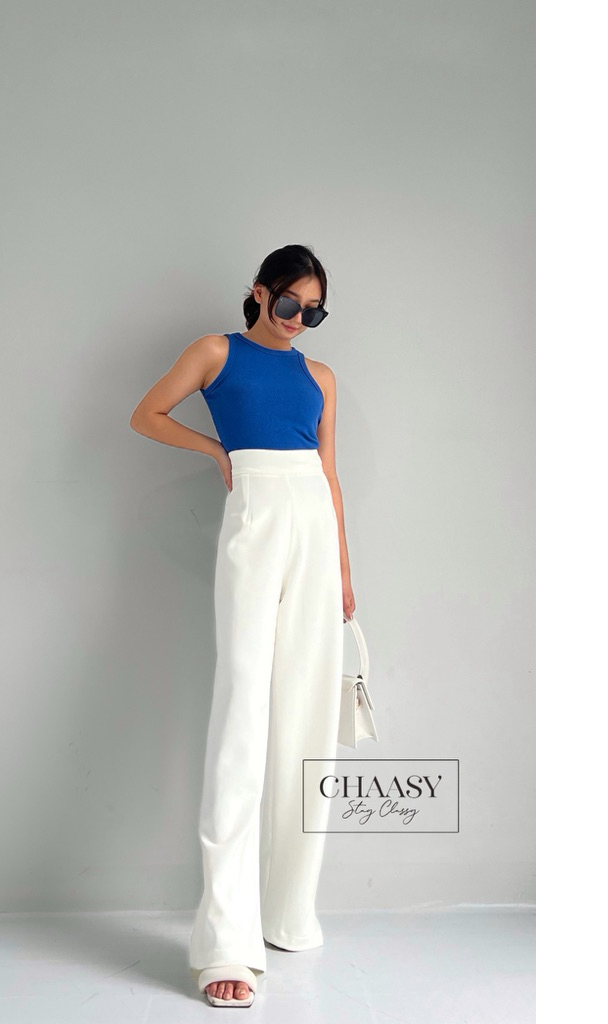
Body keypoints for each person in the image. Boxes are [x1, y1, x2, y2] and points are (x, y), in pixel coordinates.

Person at [130, 243, 355, 1008]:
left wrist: (344, 572)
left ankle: (288, 911)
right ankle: (227, 939)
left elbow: (329, 476)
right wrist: (215, 449)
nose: (298, 320)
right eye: (289, 304)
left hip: (314, 526)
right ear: (259, 292)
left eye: (313, 312)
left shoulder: (321, 377)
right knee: (243, 715)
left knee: (309, 717)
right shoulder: (215, 351)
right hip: (256, 517)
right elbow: (146, 414)